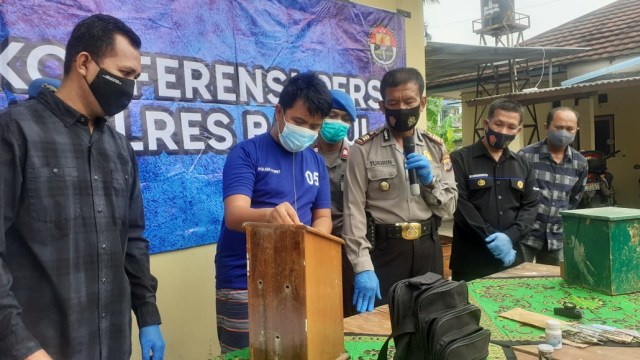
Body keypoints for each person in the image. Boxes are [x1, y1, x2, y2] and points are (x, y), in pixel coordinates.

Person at [0, 14, 164, 360]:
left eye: (135, 78)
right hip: (42, 346)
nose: (130, 89)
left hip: (112, 344)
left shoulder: (120, 150)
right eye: (124, 74)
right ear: (85, 64)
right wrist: (20, 345)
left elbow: (133, 241)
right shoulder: (16, 132)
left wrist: (147, 314)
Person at [214, 72, 333, 353]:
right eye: (299, 122)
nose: (306, 130)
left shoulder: (316, 163)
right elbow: (235, 214)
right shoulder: (246, 153)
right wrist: (270, 217)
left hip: (297, 278)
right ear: (279, 112)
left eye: (314, 126)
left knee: (294, 352)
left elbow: (323, 217)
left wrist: (313, 240)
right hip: (243, 281)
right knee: (247, 354)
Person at [342, 67, 457, 313]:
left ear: (422, 102)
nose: (402, 108)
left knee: (431, 321)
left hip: (428, 247)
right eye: (393, 102)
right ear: (383, 106)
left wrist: (430, 181)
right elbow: (353, 212)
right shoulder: (363, 150)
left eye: (409, 101)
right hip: (385, 251)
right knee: (382, 325)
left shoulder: (435, 147)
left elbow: (449, 207)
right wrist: (363, 266)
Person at [449, 98, 539, 282]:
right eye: (498, 124)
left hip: (512, 259)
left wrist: (509, 237)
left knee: (513, 310)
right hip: (471, 262)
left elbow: (530, 206)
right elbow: (460, 205)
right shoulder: (460, 159)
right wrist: (492, 238)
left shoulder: (523, 164)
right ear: (486, 124)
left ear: (518, 130)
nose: (504, 131)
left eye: (511, 127)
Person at [517, 107, 587, 265]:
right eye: (559, 127)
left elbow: (575, 198)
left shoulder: (580, 163)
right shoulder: (525, 156)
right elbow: (514, 196)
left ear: (576, 130)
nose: (564, 133)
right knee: (517, 281)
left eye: (569, 129)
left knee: (553, 283)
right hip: (525, 235)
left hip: (556, 238)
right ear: (546, 126)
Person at [313, 89, 358, 317]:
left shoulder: (357, 157)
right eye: (332, 115)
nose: (338, 122)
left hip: (348, 246)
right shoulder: (302, 153)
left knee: (349, 308)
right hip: (312, 244)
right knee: (316, 308)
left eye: (345, 118)